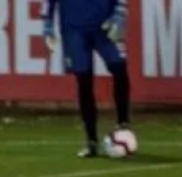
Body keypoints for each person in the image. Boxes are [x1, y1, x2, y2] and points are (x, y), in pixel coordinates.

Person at [41, 0, 131, 158]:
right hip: (73, 27)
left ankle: (123, 124)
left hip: (104, 22)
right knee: (84, 80)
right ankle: (91, 140)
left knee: (119, 68)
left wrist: (119, 13)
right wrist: (47, 24)